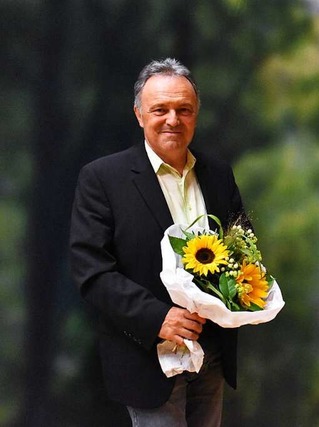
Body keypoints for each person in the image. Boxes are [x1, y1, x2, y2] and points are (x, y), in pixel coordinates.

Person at [70, 58, 247, 426]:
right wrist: (158, 318)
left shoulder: (218, 175)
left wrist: (243, 293)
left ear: (196, 114)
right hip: (147, 357)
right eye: (160, 109)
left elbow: (243, 249)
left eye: (184, 110)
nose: (173, 119)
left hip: (211, 353)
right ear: (138, 114)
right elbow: (92, 272)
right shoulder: (103, 178)